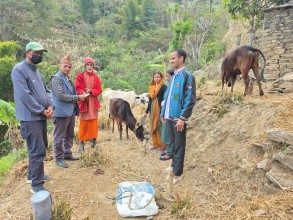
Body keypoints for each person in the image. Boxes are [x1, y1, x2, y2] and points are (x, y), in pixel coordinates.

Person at [11, 42, 53, 193]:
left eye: (41, 53)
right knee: (37, 150)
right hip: (30, 118)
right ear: (27, 52)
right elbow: (24, 95)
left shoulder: (36, 71)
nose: (39, 56)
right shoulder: (19, 70)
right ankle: (36, 184)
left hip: (41, 116)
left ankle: (32, 174)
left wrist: (50, 107)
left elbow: (47, 91)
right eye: (37, 53)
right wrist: (41, 110)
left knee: (40, 147)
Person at [161, 49, 196, 184]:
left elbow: (190, 99)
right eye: (170, 59)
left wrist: (183, 118)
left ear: (181, 59)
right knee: (173, 143)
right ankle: (172, 167)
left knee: (179, 144)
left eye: (173, 58)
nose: (171, 61)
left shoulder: (187, 76)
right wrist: (164, 113)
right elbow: (168, 96)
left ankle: (178, 173)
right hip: (169, 117)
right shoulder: (174, 76)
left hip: (178, 118)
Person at [50, 55, 88, 168]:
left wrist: (76, 109)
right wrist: (78, 97)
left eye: (69, 67)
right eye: (65, 66)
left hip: (70, 111)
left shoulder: (68, 79)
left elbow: (71, 94)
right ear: (60, 66)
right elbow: (61, 96)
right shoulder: (56, 78)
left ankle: (67, 153)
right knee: (59, 136)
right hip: (61, 112)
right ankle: (58, 158)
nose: (67, 68)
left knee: (69, 134)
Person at [75, 57, 102, 153]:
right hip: (84, 102)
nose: (89, 67)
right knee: (83, 123)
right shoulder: (80, 76)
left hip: (93, 103)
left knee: (94, 123)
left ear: (93, 66)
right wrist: (83, 92)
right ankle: (81, 144)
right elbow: (77, 88)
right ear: (85, 66)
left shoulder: (96, 77)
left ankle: (94, 140)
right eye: (88, 65)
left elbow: (99, 90)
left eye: (91, 65)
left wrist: (91, 91)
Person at [145, 70, 167, 153]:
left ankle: (163, 145)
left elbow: (165, 100)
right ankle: (155, 144)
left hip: (160, 110)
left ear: (161, 78)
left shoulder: (164, 87)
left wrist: (164, 111)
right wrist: (147, 111)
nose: (156, 79)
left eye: (158, 77)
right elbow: (150, 101)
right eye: (155, 77)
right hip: (152, 110)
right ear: (153, 78)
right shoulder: (151, 87)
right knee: (153, 126)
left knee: (160, 127)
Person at [160, 69, 175, 161]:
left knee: (169, 133)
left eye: (169, 76)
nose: (167, 78)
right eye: (167, 76)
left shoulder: (174, 87)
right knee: (166, 132)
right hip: (165, 112)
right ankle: (168, 150)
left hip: (170, 113)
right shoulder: (169, 86)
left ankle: (170, 153)